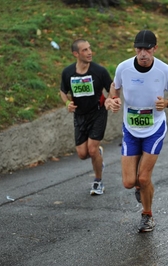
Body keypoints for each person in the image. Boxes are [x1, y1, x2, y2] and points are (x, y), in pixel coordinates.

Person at [104, 30, 168, 233]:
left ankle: (147, 215)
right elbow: (114, 88)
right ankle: (139, 187)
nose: (143, 53)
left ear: (155, 48)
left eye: (147, 48)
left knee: (144, 178)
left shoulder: (164, 71)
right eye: (139, 48)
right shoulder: (124, 68)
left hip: (154, 128)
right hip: (130, 129)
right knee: (129, 182)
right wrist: (113, 100)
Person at [60, 39, 112, 195]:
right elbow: (63, 91)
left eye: (90, 49)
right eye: (84, 50)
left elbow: (112, 89)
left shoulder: (99, 71)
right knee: (83, 154)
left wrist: (110, 100)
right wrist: (67, 103)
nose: (89, 52)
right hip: (80, 115)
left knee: (92, 149)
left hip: (98, 112)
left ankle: (98, 182)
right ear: (76, 54)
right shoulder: (68, 72)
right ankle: (98, 156)